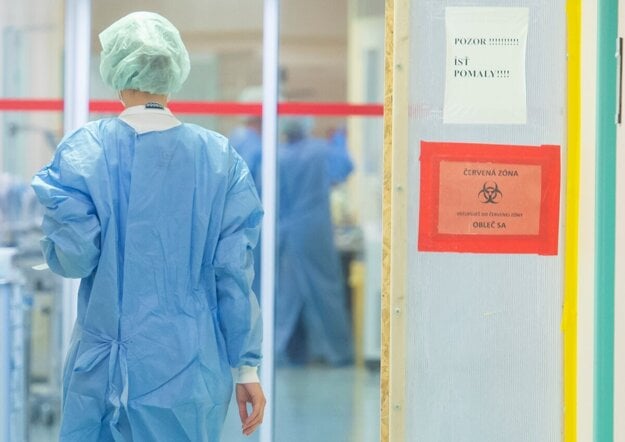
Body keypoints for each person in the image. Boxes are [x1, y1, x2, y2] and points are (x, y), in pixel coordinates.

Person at [31, 12, 265, 441]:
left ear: (116, 72)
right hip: (190, 373)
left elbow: (73, 257)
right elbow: (233, 272)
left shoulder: (86, 153)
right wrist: (246, 368)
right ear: (173, 75)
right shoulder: (219, 159)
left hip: (101, 378)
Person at [275, 116, 354, 366]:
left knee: (285, 294)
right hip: (314, 231)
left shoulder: (277, 156)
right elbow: (344, 167)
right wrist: (340, 139)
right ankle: (339, 353)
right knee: (326, 291)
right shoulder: (320, 150)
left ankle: (281, 350)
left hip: (285, 232)